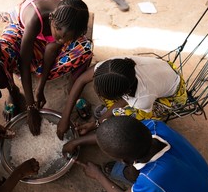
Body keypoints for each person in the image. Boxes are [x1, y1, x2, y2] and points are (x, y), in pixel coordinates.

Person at [63, 116, 208, 192]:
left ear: (125, 160)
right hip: (202, 179)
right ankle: (130, 175)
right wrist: (75, 142)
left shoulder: (152, 178)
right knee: (134, 174)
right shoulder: (153, 126)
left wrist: (97, 175)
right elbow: (115, 134)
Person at [0, 0, 93, 135]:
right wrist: (30, 107)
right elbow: (24, 64)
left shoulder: (70, 24)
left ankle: (72, 89)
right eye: (61, 37)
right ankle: (14, 92)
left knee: (85, 48)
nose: (63, 42)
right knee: (3, 55)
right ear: (52, 20)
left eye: (68, 39)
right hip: (24, 30)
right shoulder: (35, 19)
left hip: (46, 37)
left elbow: (52, 47)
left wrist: (40, 88)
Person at [57, 56, 187, 139]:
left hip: (173, 94)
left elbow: (122, 102)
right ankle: (107, 113)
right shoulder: (113, 67)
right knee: (111, 109)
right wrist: (64, 117)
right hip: (162, 73)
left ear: (124, 93)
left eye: (102, 93)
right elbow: (81, 80)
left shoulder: (142, 99)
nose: (97, 93)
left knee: (124, 125)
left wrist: (96, 125)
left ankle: (109, 115)